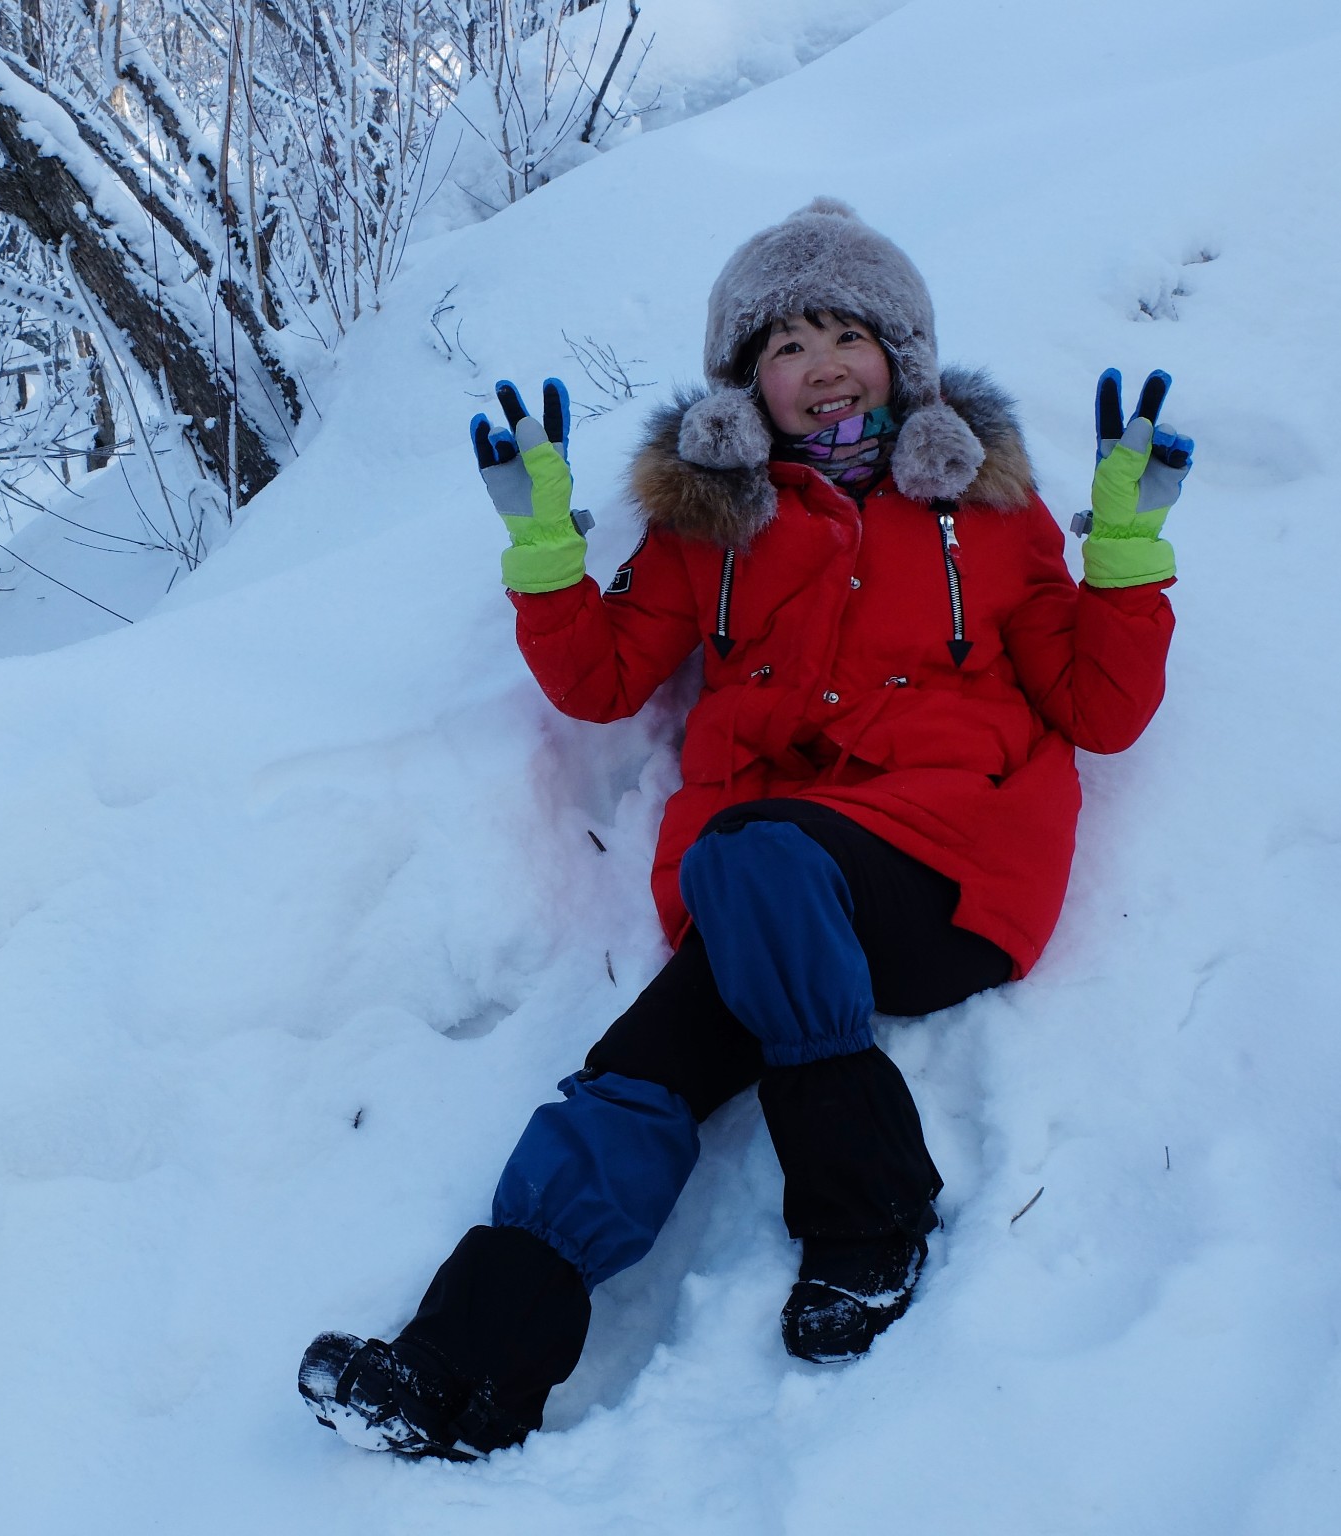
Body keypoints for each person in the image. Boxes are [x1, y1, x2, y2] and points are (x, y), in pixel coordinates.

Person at [298, 199, 1189, 1461]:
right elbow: (603, 681)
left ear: (902, 356)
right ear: (744, 383)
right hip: (765, 891)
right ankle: (462, 1371)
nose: (818, 366)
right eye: (782, 346)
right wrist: (544, 547)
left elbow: (1098, 708)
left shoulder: (984, 516)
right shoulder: (708, 525)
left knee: (752, 851)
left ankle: (866, 1221)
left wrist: (1129, 549)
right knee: (632, 1072)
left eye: (845, 334)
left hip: (948, 870)